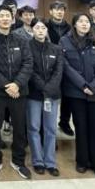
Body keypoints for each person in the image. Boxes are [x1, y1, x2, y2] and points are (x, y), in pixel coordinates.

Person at [0, 4, 33, 180]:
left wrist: (16, 84)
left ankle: (18, 161)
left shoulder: (21, 40)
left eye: (7, 16)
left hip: (19, 92)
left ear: (12, 19)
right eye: (1, 16)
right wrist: (7, 86)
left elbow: (28, 63)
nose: (5, 19)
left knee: (20, 128)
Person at [60, 13, 95, 178]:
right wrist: (82, 85)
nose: (84, 24)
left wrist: (94, 86)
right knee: (80, 127)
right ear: (74, 24)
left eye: (87, 21)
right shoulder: (64, 41)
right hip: (76, 92)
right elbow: (65, 66)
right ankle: (82, 161)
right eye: (80, 21)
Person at [26, 18, 63, 177]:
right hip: (34, 94)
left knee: (50, 129)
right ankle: (38, 161)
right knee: (34, 127)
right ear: (32, 30)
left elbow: (58, 71)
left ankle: (50, 162)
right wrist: (43, 87)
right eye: (37, 28)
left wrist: (49, 89)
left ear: (47, 30)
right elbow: (30, 70)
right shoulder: (27, 47)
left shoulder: (56, 49)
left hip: (52, 95)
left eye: (43, 28)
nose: (40, 30)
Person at [46, 0, 73, 137]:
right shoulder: (44, 26)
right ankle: (48, 124)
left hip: (67, 64)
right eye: (56, 9)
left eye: (62, 9)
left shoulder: (70, 28)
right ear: (51, 11)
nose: (59, 12)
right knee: (51, 94)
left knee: (67, 95)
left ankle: (64, 122)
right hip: (49, 64)